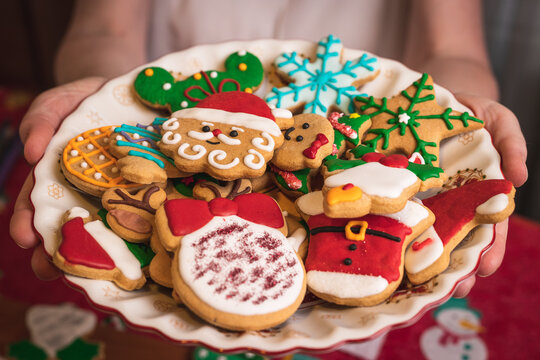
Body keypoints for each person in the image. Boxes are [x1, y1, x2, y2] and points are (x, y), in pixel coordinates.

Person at [10, 0, 528, 298]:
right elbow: (104, 27)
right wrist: (103, 91)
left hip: (361, 103)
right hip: (183, 98)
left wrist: (458, 112)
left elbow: (454, 51)